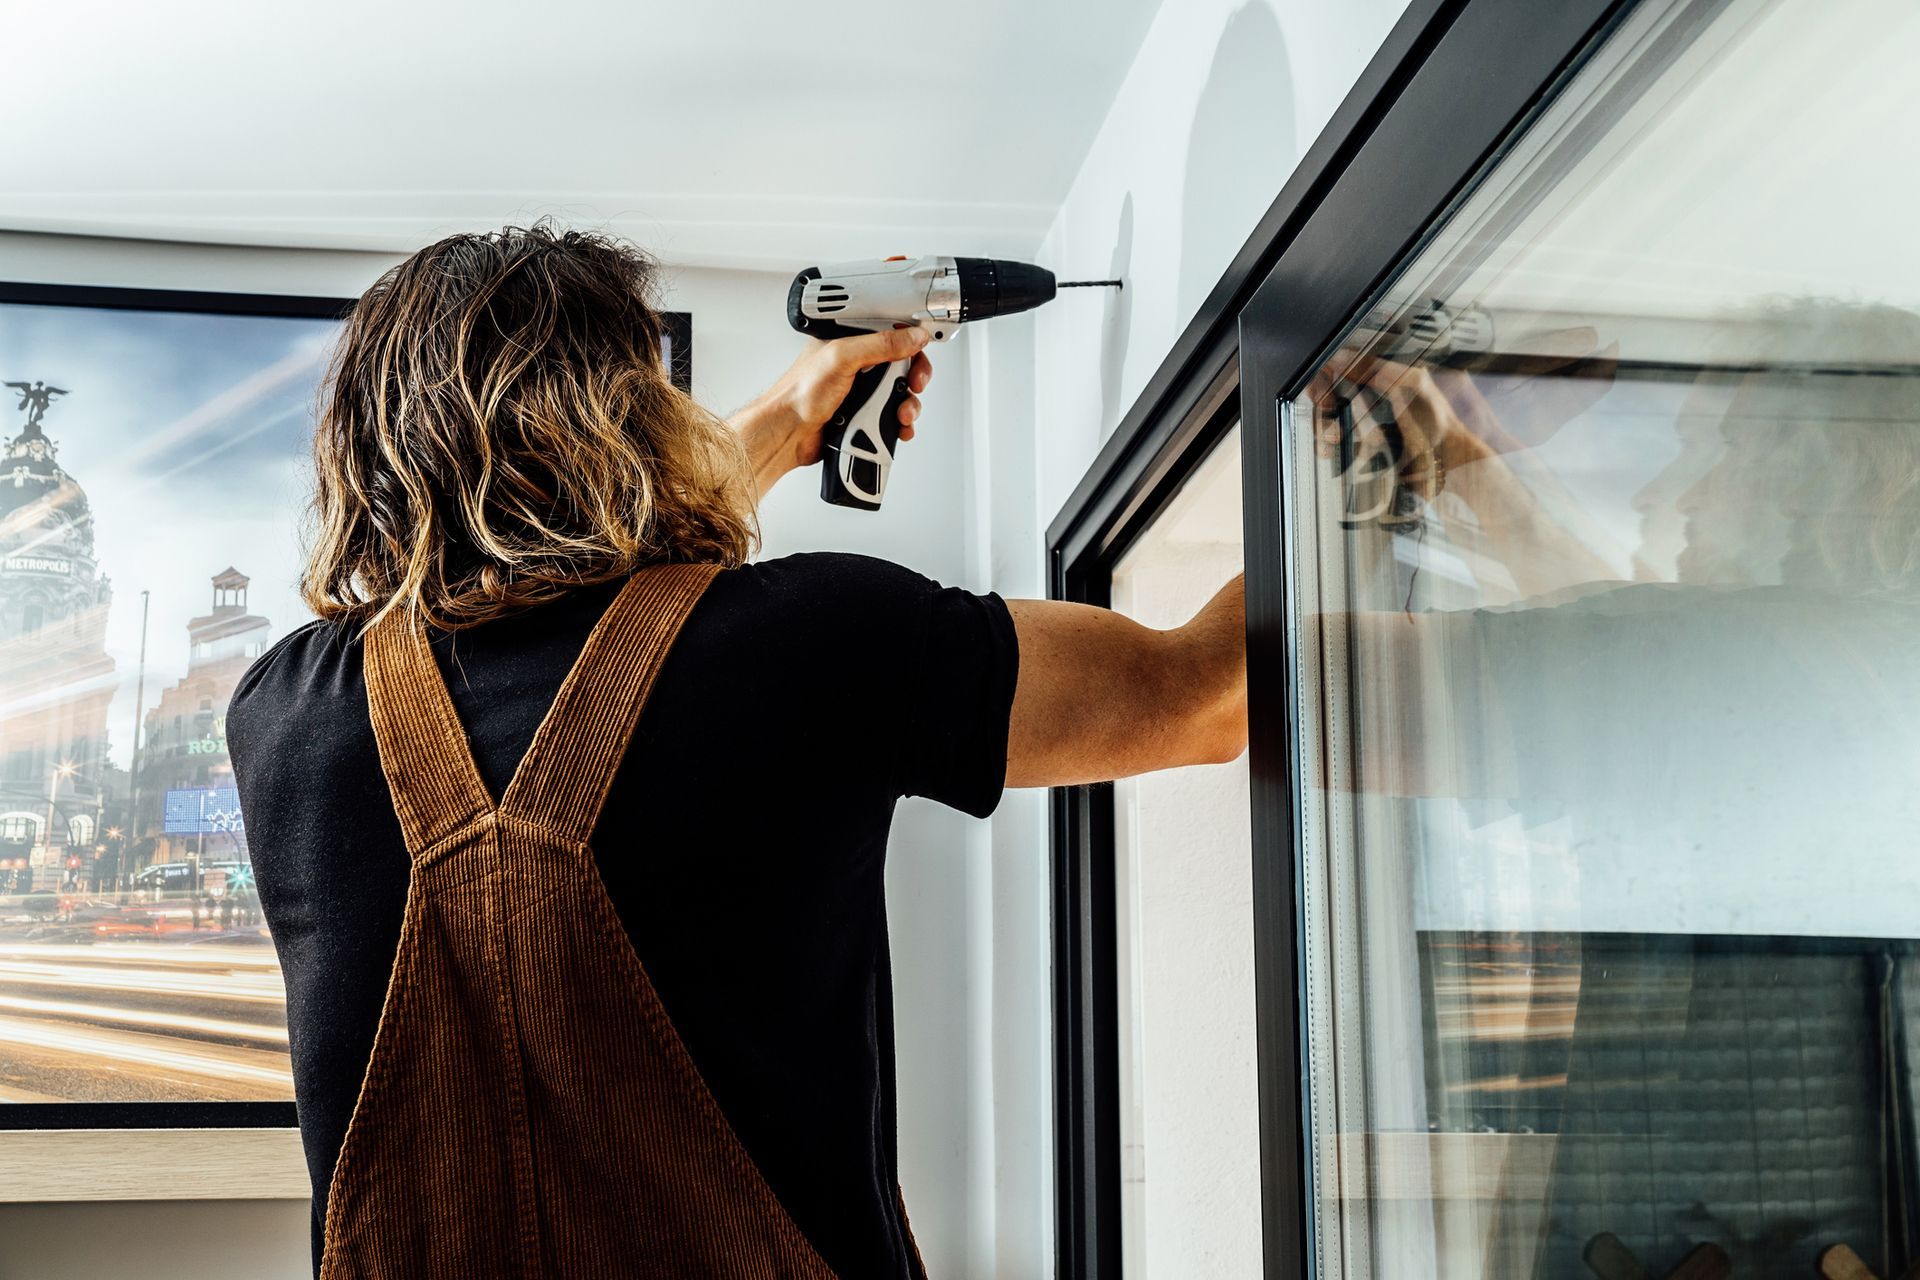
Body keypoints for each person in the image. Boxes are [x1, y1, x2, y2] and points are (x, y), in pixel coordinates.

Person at [226, 224, 1246, 1280]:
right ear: (629, 413)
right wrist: (1340, 429)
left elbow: (614, 632)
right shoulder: (819, 640)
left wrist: (794, 417)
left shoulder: (286, 716)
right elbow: (1205, 691)